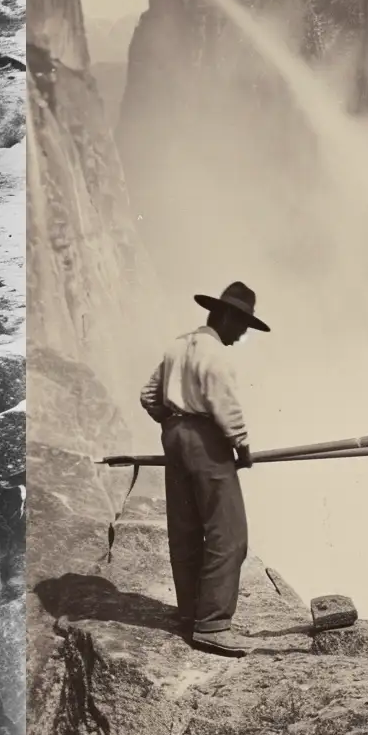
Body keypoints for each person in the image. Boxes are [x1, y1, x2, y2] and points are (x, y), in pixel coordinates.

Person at [139, 281, 269, 656]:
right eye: (242, 324)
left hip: (174, 437)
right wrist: (241, 447)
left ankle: (191, 613)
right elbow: (225, 407)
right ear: (226, 316)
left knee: (186, 528)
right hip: (206, 440)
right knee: (229, 533)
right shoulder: (215, 355)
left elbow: (148, 395)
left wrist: (173, 422)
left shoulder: (177, 345)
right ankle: (212, 624)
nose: (243, 333)